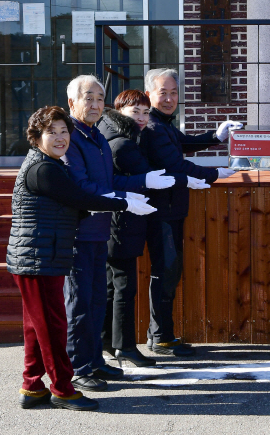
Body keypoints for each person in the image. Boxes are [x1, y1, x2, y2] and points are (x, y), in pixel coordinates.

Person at [6, 105, 155, 411]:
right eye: (52, 132)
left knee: (37, 328)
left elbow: (74, 206)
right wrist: (123, 203)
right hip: (37, 258)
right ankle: (62, 388)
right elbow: (79, 198)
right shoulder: (43, 168)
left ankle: (32, 386)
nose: (60, 138)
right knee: (53, 326)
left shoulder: (52, 164)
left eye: (64, 131)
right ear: (36, 136)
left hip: (44, 256)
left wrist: (114, 202)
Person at [62, 75, 176, 392]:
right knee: (80, 303)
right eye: (89, 97)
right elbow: (81, 186)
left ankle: (96, 361)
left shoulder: (96, 137)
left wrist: (138, 186)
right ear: (72, 102)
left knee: (98, 299)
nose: (96, 104)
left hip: (100, 232)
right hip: (79, 233)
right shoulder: (70, 137)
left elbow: (112, 181)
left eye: (100, 98)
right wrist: (122, 200)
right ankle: (78, 367)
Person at [98, 89, 210, 367]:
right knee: (123, 286)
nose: (141, 117)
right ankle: (124, 346)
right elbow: (149, 173)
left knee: (114, 285)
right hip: (121, 220)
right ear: (119, 110)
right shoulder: (123, 143)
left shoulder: (119, 132)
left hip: (118, 219)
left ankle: (106, 342)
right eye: (134, 111)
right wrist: (185, 179)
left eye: (145, 112)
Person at [143, 68, 241, 356]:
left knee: (169, 270)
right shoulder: (152, 126)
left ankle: (161, 334)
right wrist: (217, 173)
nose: (170, 98)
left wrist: (215, 137)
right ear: (149, 95)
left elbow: (183, 144)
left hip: (170, 209)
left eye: (174, 92)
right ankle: (160, 336)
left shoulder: (163, 125)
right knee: (166, 271)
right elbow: (178, 166)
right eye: (163, 92)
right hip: (161, 211)